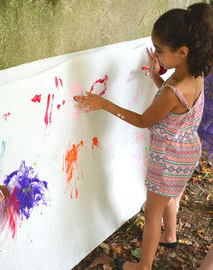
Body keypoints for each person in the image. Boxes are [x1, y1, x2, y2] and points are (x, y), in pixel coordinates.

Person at [74, 2, 213, 270]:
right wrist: (155, 77)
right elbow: (176, 104)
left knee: (152, 215)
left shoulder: (173, 90)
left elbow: (142, 120)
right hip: (186, 153)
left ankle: (143, 266)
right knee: (170, 197)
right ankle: (170, 236)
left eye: (160, 51)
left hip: (167, 160)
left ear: (182, 52)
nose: (157, 56)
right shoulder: (195, 76)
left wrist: (104, 103)